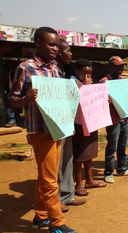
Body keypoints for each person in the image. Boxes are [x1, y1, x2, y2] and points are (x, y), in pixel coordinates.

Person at [8, 27, 76, 233]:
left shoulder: (55, 68)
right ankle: (56, 223)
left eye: (57, 45)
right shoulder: (26, 68)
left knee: (47, 175)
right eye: (51, 45)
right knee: (49, 179)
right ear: (38, 43)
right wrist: (25, 99)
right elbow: (12, 100)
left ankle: (41, 215)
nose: (55, 49)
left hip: (56, 129)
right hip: (40, 131)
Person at [56, 39, 86, 211]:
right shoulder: (49, 72)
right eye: (68, 50)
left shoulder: (61, 71)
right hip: (52, 125)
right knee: (56, 163)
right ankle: (55, 198)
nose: (71, 54)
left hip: (66, 121)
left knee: (67, 159)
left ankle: (67, 195)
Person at [71, 59, 107, 195]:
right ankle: (79, 184)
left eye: (90, 73)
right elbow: (74, 101)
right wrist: (86, 88)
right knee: (79, 153)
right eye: (85, 73)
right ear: (76, 72)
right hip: (78, 123)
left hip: (91, 121)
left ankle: (90, 180)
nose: (88, 76)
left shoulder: (87, 83)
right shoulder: (72, 82)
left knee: (89, 151)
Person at [100, 56, 128, 183]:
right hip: (112, 120)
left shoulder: (122, 81)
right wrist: (106, 101)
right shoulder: (103, 83)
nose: (121, 68)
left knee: (122, 145)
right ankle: (108, 172)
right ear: (110, 67)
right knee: (112, 146)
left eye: (122, 66)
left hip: (124, 119)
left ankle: (122, 168)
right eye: (118, 66)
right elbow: (98, 103)